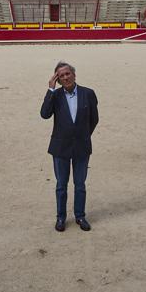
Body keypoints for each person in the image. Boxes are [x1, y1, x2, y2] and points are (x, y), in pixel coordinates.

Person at [40, 61, 99, 232]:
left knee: (80, 184)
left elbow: (94, 119)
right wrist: (50, 90)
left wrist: (83, 136)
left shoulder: (88, 93)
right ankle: (61, 218)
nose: (66, 77)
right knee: (61, 185)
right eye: (61, 75)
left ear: (74, 74)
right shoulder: (56, 95)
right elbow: (44, 114)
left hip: (81, 146)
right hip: (60, 147)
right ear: (57, 79)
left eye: (68, 73)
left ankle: (80, 216)